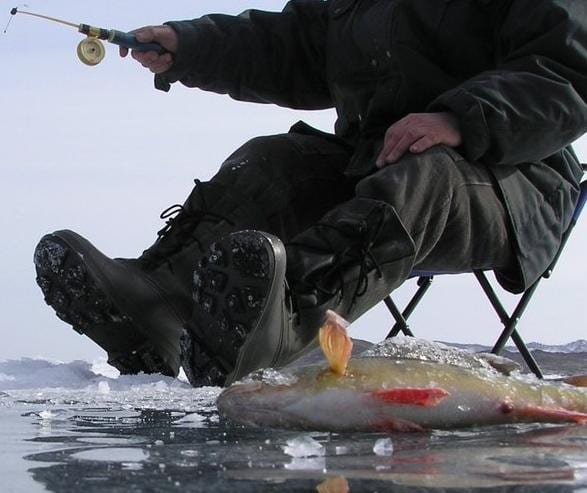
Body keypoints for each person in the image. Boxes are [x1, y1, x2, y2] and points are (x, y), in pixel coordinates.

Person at [34, 0, 587, 387]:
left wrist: (462, 118)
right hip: (373, 161)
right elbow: (294, 45)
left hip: (509, 178)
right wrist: (192, 46)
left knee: (425, 174)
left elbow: (568, 68)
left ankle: (284, 318)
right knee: (275, 160)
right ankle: (156, 304)